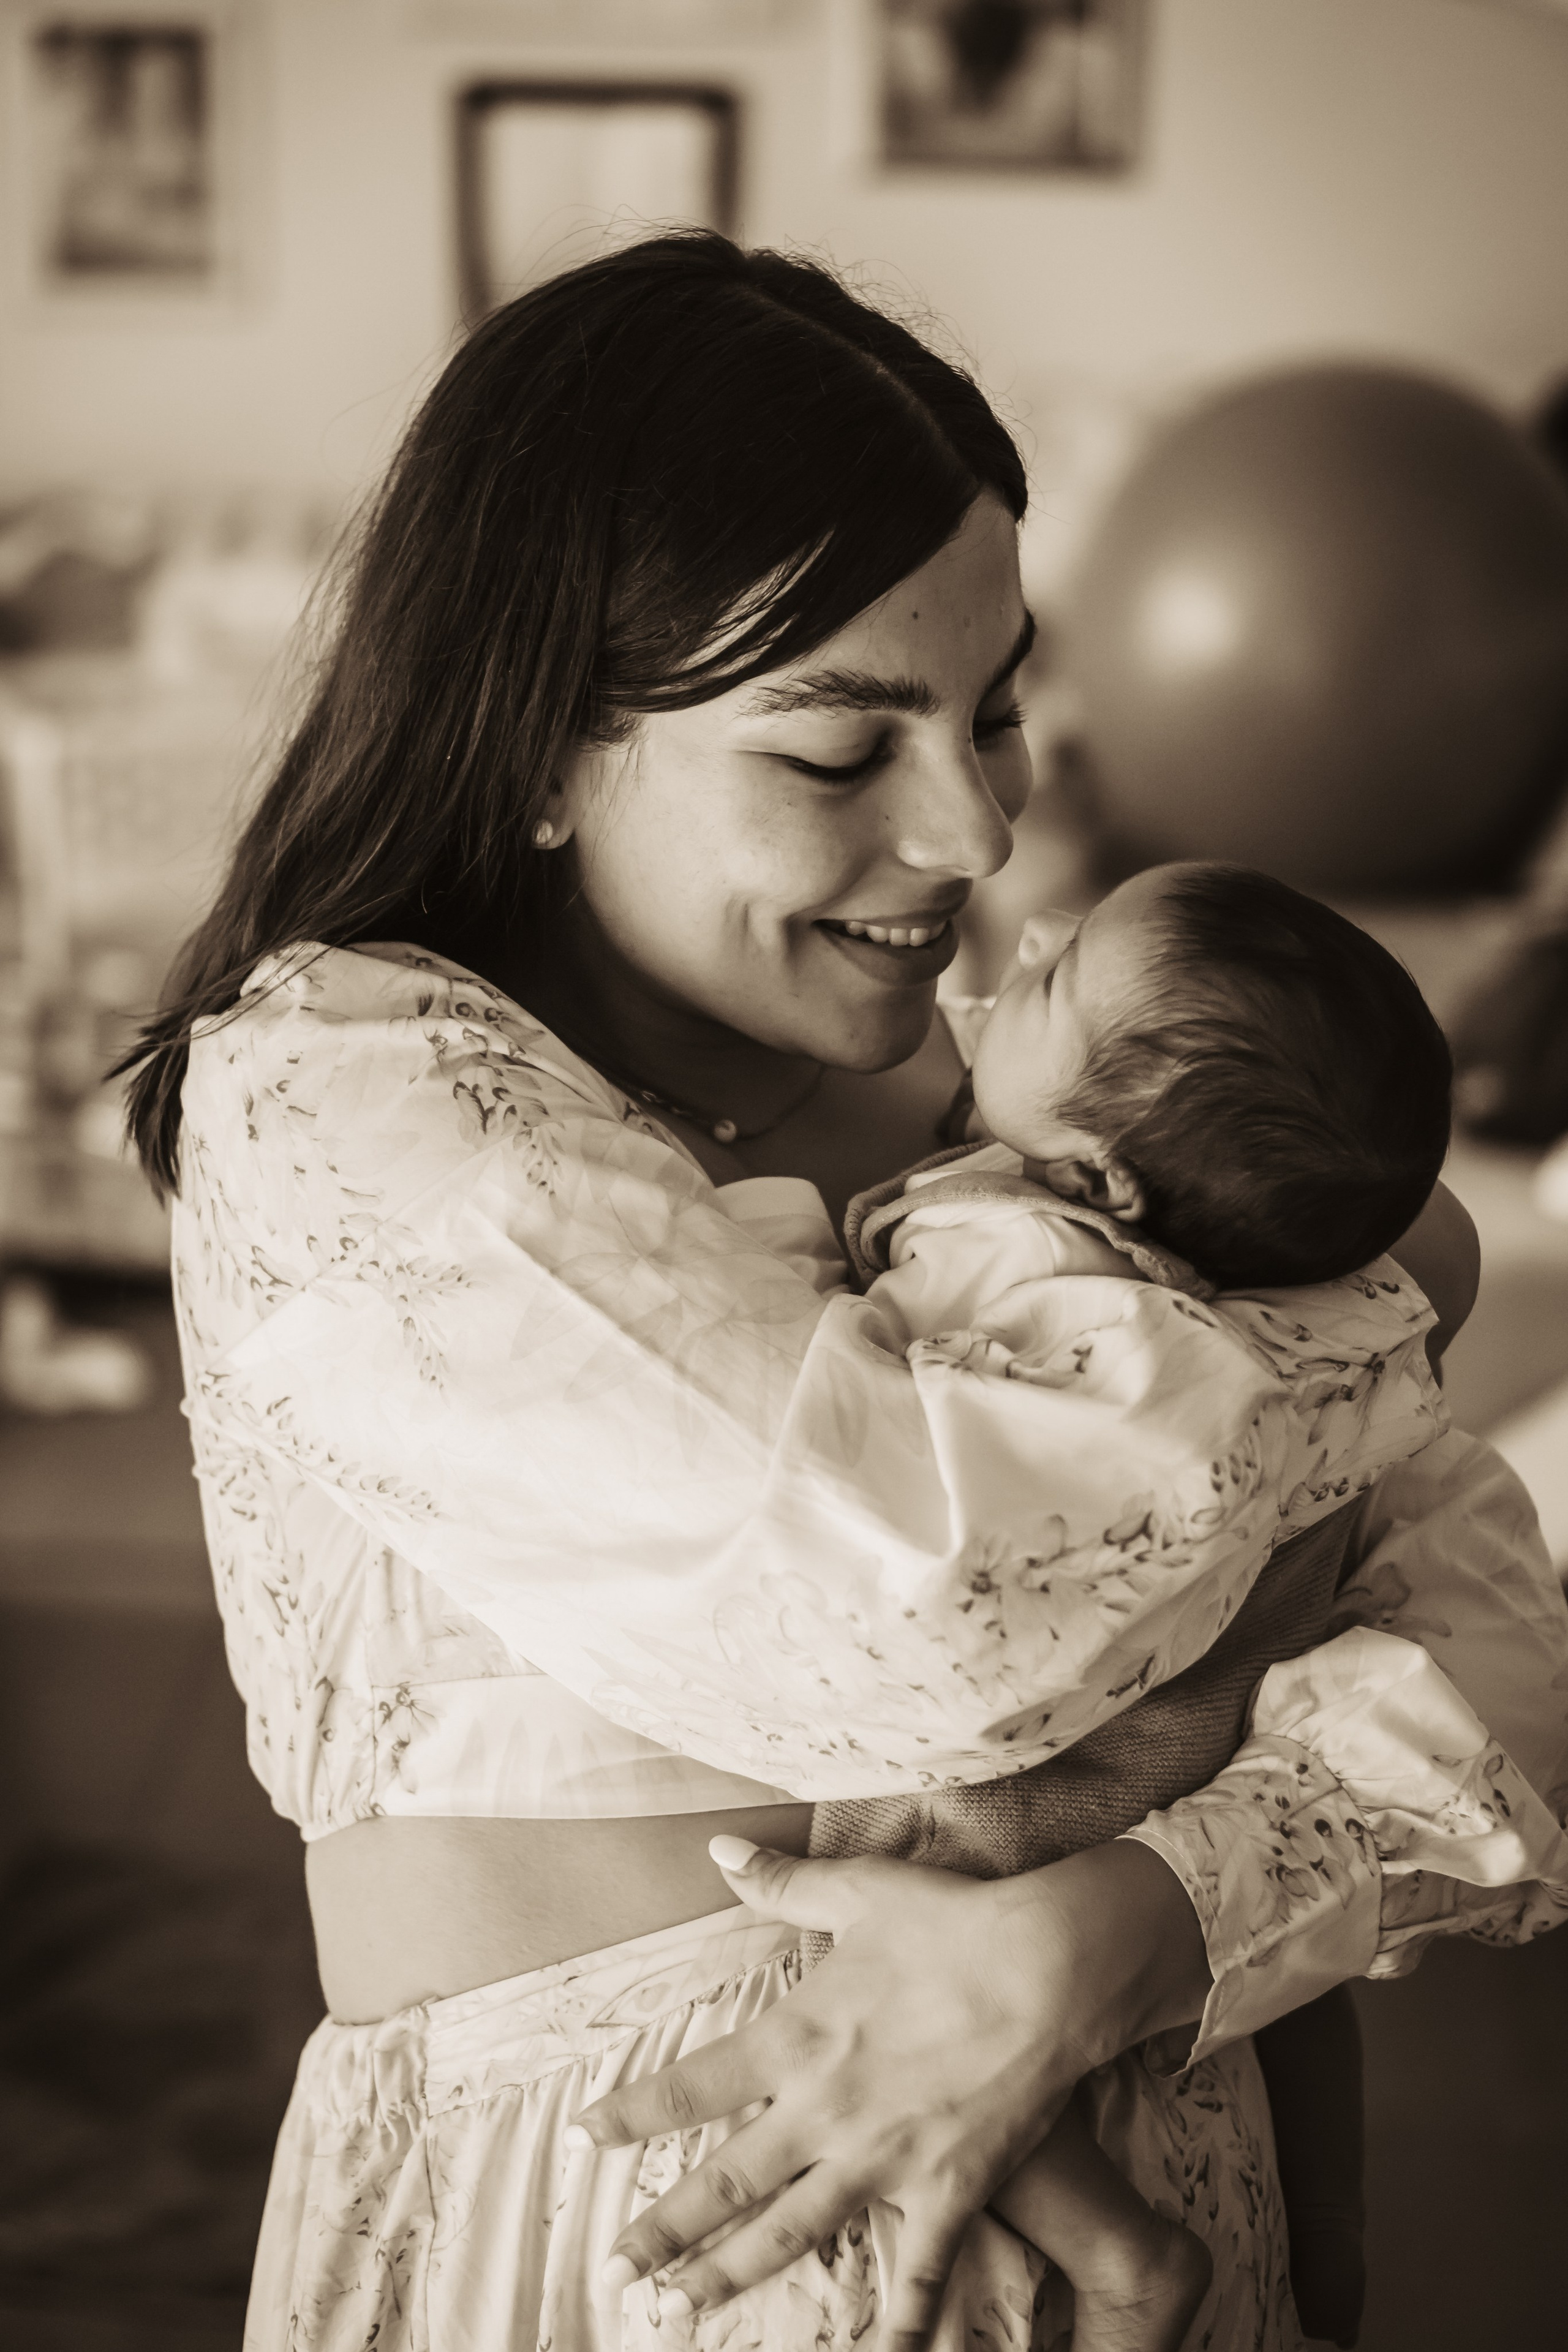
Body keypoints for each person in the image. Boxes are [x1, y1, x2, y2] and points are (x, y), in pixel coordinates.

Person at [116, 233, 1568, 2352]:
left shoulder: (1062, 1130)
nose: (978, 832)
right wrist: (1361, 1352)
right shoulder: (351, 1093)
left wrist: (1131, 1926)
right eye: (835, 754)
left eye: (995, 714)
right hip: (617, 2254)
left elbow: (1518, 1652)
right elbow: (924, 1616)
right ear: (538, 740)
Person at [818, 858, 1454, 2348]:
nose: (1026, 931)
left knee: (890, 1919)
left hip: (1063, 1773)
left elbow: (886, 1445)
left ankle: (1119, 2260)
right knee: (1288, 1992)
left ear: (1100, 1183)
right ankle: (1332, 2238)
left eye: (1051, 977)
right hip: (1223, 1720)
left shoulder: (1020, 1259)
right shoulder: (1315, 1293)